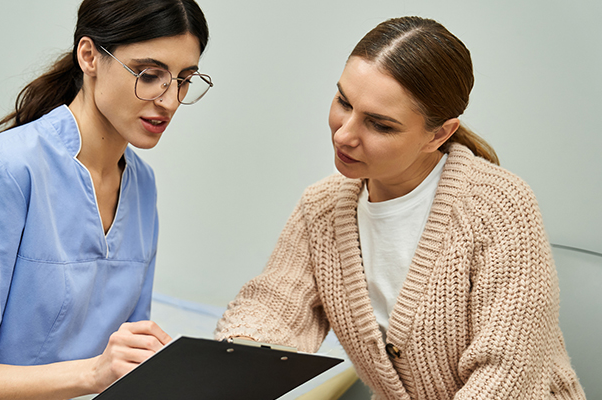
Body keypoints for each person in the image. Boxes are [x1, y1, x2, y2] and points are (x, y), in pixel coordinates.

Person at [215, 16, 585, 399]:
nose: (344, 134)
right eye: (343, 102)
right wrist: (244, 347)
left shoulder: (500, 206)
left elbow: (506, 374)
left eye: (379, 125)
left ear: (439, 133)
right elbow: (275, 305)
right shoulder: (322, 208)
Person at [0, 0, 211, 399]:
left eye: (184, 79)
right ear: (89, 57)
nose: (169, 101)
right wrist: (93, 373)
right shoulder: (5, 172)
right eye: (150, 75)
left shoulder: (141, 185)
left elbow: (123, 360)